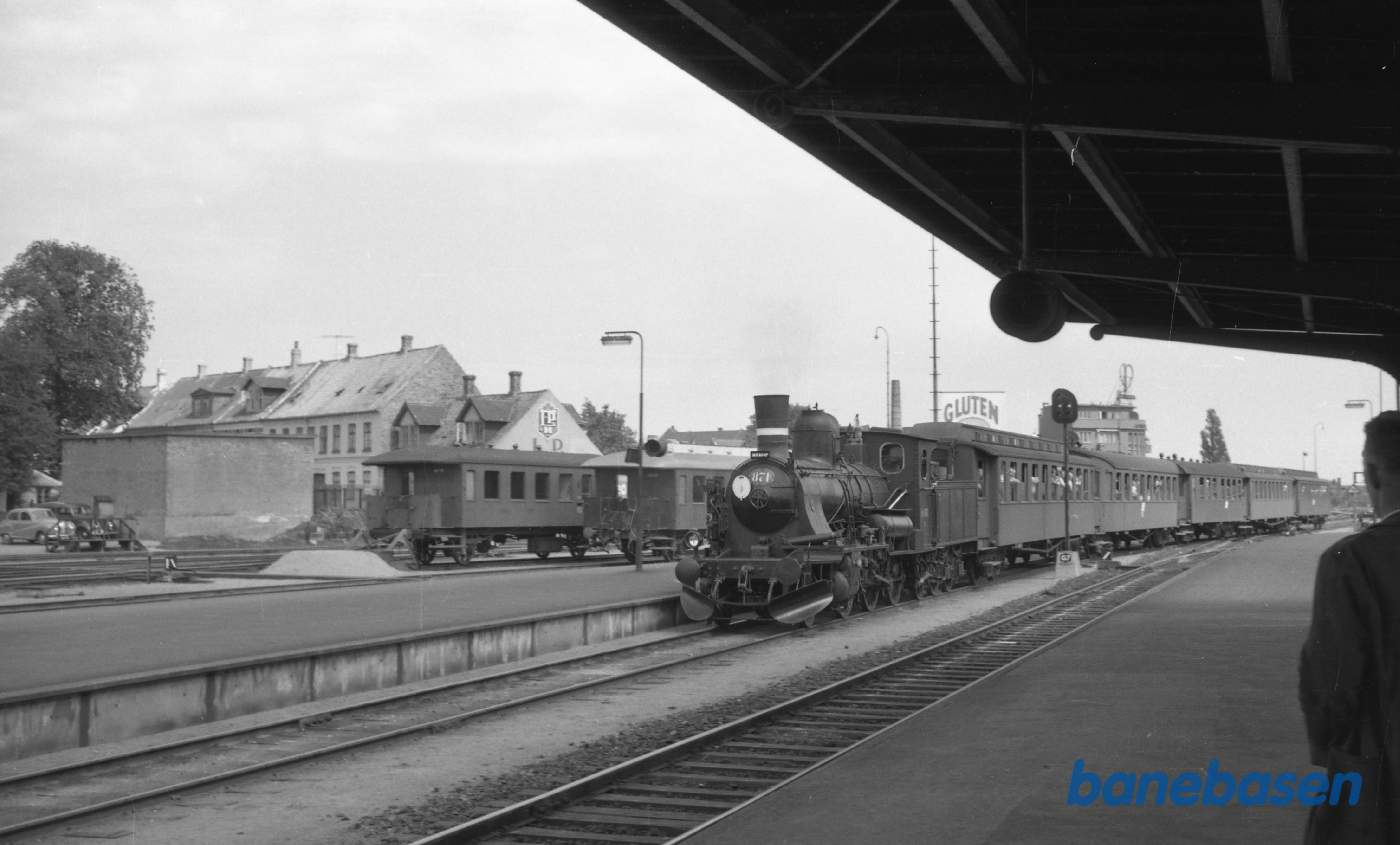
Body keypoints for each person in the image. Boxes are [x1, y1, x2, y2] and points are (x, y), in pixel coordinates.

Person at [1299, 411, 1400, 843]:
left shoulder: (1351, 561)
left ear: (1373, 475)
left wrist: (1328, 745)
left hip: (1383, 771)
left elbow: (1332, 678)